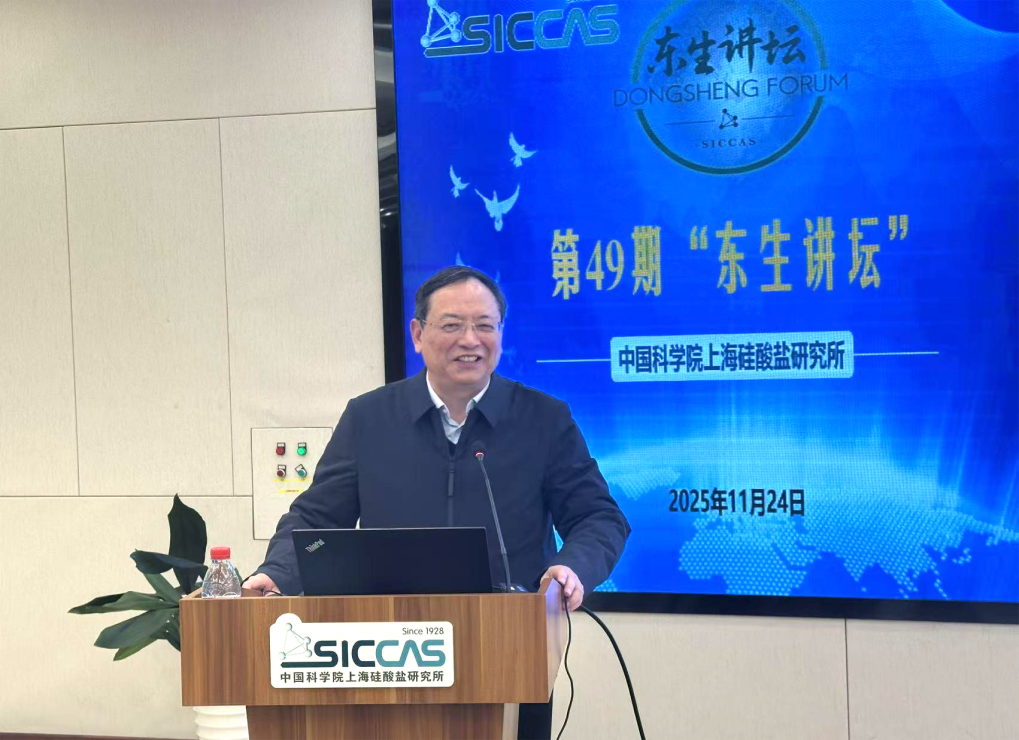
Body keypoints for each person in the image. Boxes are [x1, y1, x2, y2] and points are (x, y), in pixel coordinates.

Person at [244, 265, 630, 738]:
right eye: (452, 325)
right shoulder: (370, 418)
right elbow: (317, 517)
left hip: (511, 649)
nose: (470, 339)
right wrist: (277, 572)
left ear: (501, 334)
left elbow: (599, 517)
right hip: (386, 653)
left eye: (485, 325)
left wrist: (572, 568)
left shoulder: (544, 419)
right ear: (418, 334)